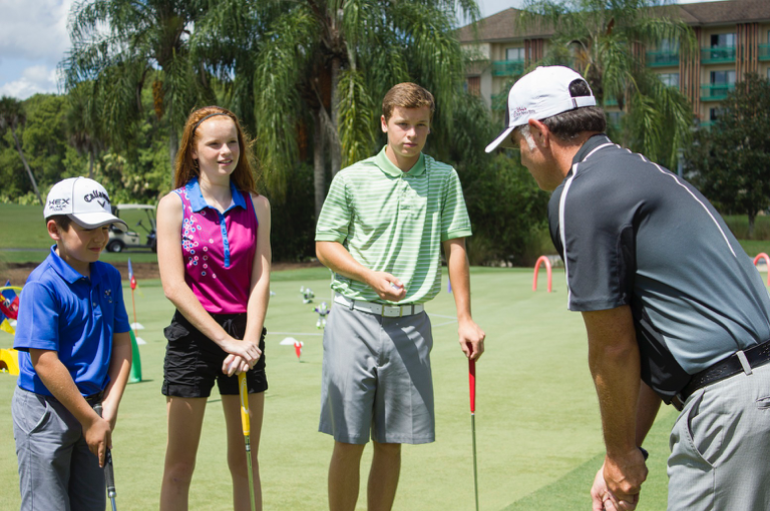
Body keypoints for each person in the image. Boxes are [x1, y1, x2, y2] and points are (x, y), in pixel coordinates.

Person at [486, 65, 770, 511]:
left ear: (539, 132)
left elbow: (612, 347)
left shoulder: (580, 193)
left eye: (518, 142)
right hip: (754, 392)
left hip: (730, 406)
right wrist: (623, 454)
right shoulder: (645, 173)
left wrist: (620, 457)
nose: (520, 157)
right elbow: (653, 351)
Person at [315, 82, 486, 511]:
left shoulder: (444, 178)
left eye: (421, 126)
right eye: (403, 124)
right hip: (353, 318)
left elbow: (457, 248)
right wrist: (367, 275)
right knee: (349, 440)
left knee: (392, 442)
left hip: (411, 326)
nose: (411, 134)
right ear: (384, 124)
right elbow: (325, 245)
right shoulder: (351, 179)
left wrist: (464, 317)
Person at [156, 106, 271, 511]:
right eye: (214, 144)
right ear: (193, 151)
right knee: (179, 466)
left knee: (244, 461)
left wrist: (248, 343)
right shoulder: (174, 205)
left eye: (233, 142)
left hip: (246, 338)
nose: (226, 151)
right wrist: (225, 342)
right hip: (193, 338)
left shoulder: (257, 205)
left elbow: (260, 277)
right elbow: (174, 286)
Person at [12, 176, 133, 510]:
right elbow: (45, 362)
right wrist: (92, 419)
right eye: (87, 227)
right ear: (55, 229)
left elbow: (123, 344)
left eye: (105, 227)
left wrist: (108, 408)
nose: (100, 237)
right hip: (46, 410)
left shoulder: (108, 276)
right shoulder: (42, 285)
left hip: (94, 407)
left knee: (90, 505)